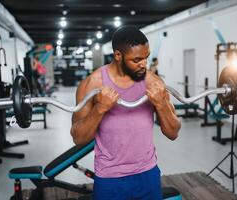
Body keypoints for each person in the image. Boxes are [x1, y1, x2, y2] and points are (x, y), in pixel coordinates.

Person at [70, 26, 181, 200]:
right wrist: (100, 109)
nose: (144, 64)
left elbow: (173, 132)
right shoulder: (92, 84)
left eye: (146, 57)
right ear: (118, 56)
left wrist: (161, 105)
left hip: (147, 173)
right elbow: (78, 138)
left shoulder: (153, 82)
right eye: (136, 59)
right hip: (110, 178)